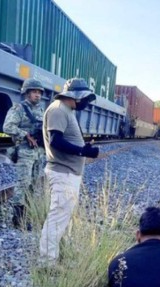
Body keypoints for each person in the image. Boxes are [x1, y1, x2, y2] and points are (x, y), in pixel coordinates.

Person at [40, 78, 100, 264]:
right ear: (75, 96)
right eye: (85, 99)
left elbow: (65, 139)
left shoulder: (66, 110)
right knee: (58, 216)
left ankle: (54, 255)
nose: (86, 103)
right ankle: (46, 262)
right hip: (62, 172)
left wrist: (84, 147)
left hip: (68, 172)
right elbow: (55, 141)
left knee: (62, 215)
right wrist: (82, 150)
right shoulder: (58, 110)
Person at [3, 78, 46, 228]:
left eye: (39, 92)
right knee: (23, 184)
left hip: (38, 153)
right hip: (24, 152)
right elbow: (7, 127)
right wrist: (25, 134)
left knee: (33, 185)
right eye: (34, 92)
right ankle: (17, 220)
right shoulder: (18, 108)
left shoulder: (41, 110)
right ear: (27, 93)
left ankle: (26, 215)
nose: (37, 95)